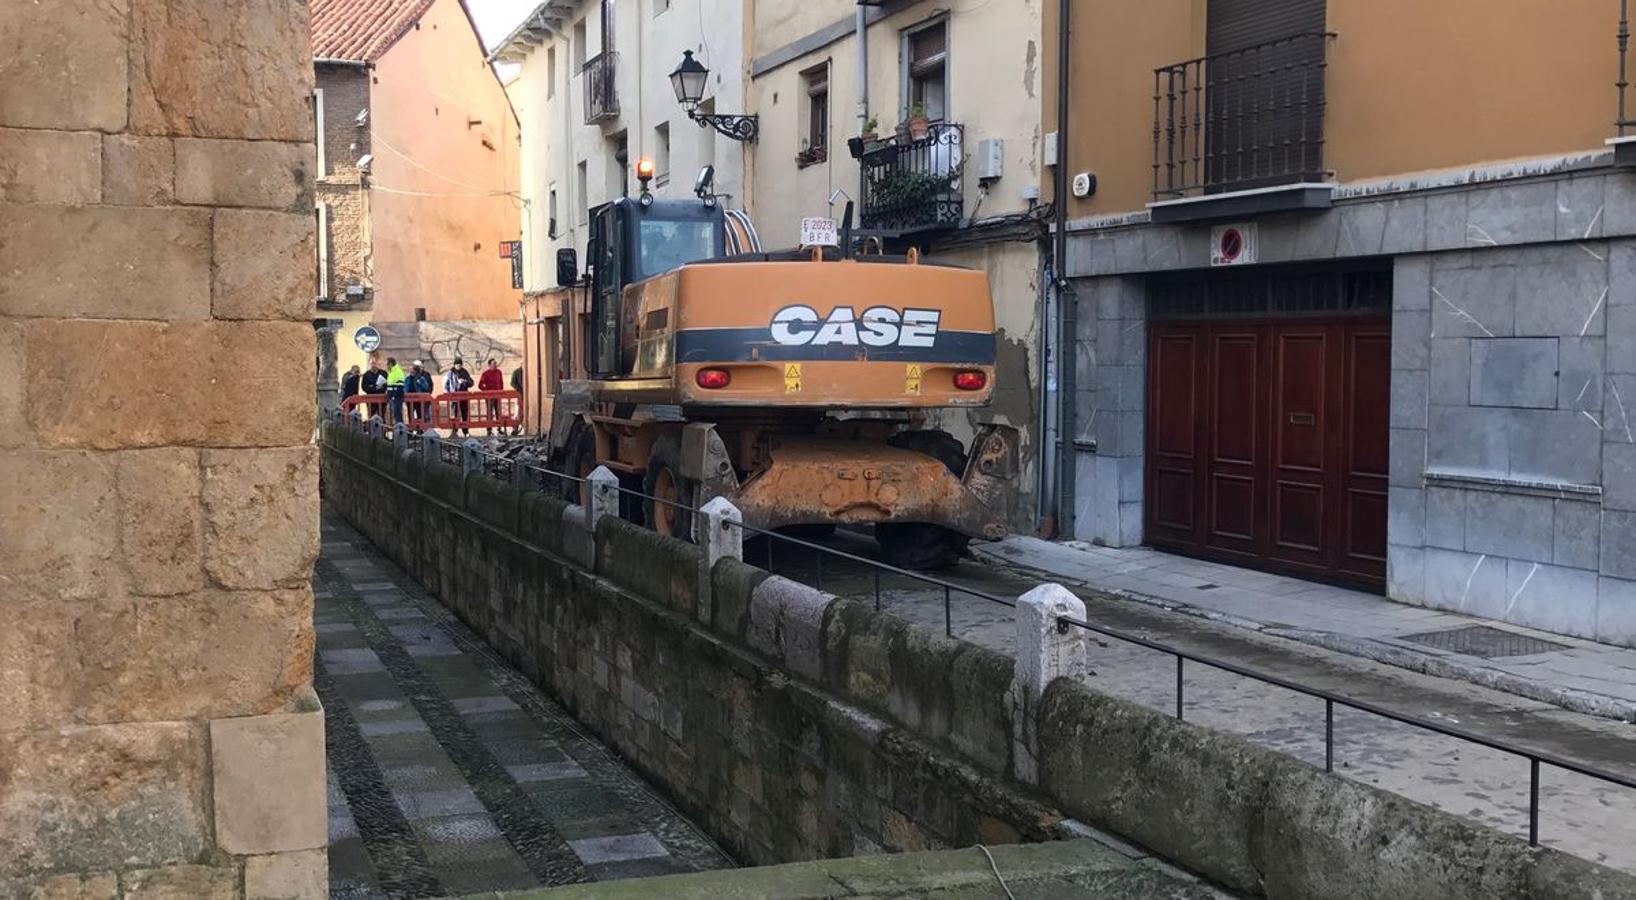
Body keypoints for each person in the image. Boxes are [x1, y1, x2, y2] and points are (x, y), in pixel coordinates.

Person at [443, 357, 474, 435]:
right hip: (454, 397)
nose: (458, 366)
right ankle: (454, 431)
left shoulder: (465, 372)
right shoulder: (450, 373)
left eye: (460, 364)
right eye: (457, 364)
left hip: (464, 396)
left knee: (464, 414)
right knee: (454, 414)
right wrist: (449, 393)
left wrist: (464, 381)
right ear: (454, 365)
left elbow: (471, 383)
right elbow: (445, 384)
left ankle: (465, 431)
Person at [478, 358, 505, 435]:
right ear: (489, 365)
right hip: (489, 396)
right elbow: (480, 385)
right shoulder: (485, 373)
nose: (495, 365)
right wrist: (487, 391)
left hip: (498, 395)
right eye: (493, 363)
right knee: (489, 413)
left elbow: (501, 383)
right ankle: (489, 430)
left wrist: (501, 391)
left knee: (498, 412)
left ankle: (499, 429)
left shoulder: (499, 372)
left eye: (495, 363)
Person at [408, 360, 433, 429]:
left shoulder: (424, 376)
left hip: (422, 399)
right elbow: (407, 388)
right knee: (412, 417)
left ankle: (424, 430)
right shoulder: (409, 377)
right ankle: (413, 431)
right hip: (412, 400)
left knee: (424, 416)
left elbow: (428, 386)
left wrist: (427, 394)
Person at [384, 356, 407, 427]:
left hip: (397, 398)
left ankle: (400, 431)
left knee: (398, 416)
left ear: (390, 364)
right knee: (395, 416)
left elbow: (400, 386)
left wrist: (393, 396)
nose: (386, 366)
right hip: (392, 398)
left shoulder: (398, 372)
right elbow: (391, 385)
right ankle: (398, 430)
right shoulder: (391, 373)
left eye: (387, 364)